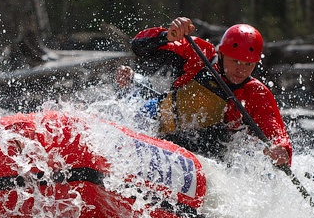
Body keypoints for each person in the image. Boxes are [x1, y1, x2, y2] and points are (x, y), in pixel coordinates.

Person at [116, 16, 292, 166]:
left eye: (248, 64)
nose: (241, 70)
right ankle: (133, 85)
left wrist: (281, 149)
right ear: (221, 54)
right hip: (158, 125)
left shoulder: (255, 93)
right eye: (235, 61)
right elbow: (138, 47)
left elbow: (275, 130)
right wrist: (166, 36)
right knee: (145, 109)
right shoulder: (200, 55)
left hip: (205, 157)